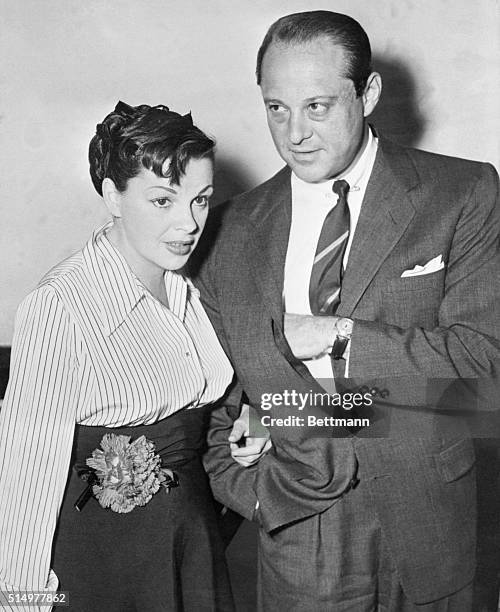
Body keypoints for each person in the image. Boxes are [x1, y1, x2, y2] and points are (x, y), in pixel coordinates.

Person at [193, 11, 500, 611]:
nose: (294, 134)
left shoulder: (462, 193)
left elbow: (482, 376)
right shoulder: (229, 231)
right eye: (276, 108)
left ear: (368, 94)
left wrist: (336, 335)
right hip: (300, 530)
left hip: (432, 521)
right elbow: (220, 407)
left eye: (318, 106)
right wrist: (255, 490)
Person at [0, 100, 266, 612]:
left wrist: (249, 422)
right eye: (163, 201)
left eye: (201, 200)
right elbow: (24, 479)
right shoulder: (61, 305)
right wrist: (20, 601)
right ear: (113, 196)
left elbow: (216, 407)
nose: (188, 224)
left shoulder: (196, 287)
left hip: (194, 543)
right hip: (100, 562)